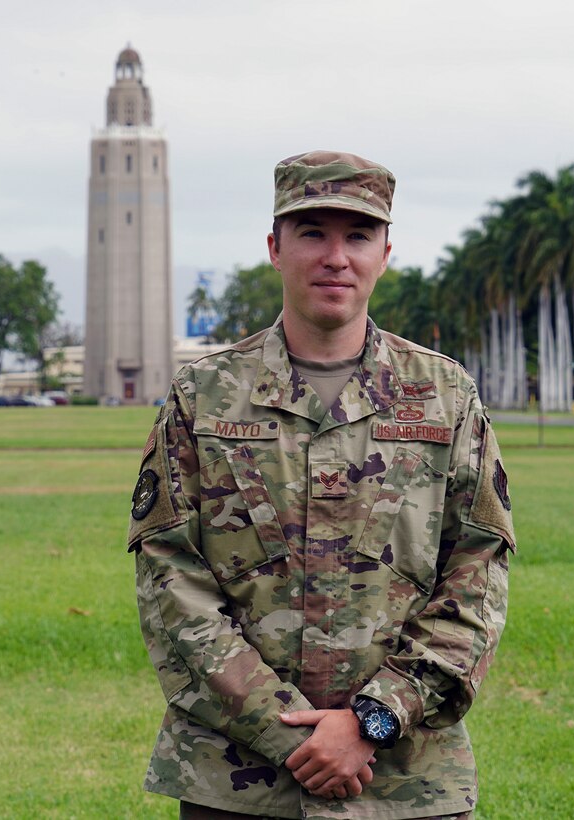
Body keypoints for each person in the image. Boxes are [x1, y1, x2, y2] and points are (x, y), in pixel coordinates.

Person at [128, 150, 515, 819]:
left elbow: (477, 573)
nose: (336, 257)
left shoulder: (444, 395)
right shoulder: (204, 395)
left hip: (405, 780)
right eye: (312, 233)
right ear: (275, 248)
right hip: (238, 783)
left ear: (384, 255)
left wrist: (375, 718)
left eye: (357, 236)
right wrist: (285, 730)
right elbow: (170, 579)